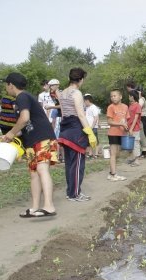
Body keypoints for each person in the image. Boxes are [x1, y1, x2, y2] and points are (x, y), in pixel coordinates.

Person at [1, 72, 57, 217]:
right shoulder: (22, 99)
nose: (6, 88)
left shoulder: (22, 97)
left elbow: (24, 118)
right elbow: (25, 125)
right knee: (33, 173)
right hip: (32, 141)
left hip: (43, 138)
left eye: (6, 85)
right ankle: (34, 208)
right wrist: (9, 137)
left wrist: (11, 133)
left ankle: (49, 206)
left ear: (10, 85)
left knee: (42, 169)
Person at [57, 68, 97, 202]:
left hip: (65, 129)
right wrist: (90, 133)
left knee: (69, 163)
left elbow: (63, 113)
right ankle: (75, 194)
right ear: (80, 79)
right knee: (78, 163)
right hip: (75, 130)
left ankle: (71, 192)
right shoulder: (77, 93)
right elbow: (80, 114)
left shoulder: (62, 93)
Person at [106, 89, 128, 181]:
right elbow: (109, 121)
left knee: (117, 154)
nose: (113, 98)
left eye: (115, 96)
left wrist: (126, 128)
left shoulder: (125, 107)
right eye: (111, 96)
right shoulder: (111, 107)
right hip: (113, 133)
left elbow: (126, 119)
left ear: (120, 96)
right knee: (113, 154)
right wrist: (121, 124)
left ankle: (111, 173)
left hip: (121, 133)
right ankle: (114, 175)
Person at [126, 82, 146, 148]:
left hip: (143, 117)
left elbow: (138, 108)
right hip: (142, 117)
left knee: (143, 132)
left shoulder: (141, 100)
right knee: (143, 132)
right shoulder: (140, 100)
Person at [126, 90, 142, 166]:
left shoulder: (137, 105)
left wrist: (131, 128)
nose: (128, 97)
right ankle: (133, 158)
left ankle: (137, 160)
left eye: (129, 96)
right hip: (129, 128)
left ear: (132, 96)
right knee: (130, 144)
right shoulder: (131, 105)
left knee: (136, 143)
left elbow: (136, 118)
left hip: (135, 128)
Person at [84, 94, 100, 158]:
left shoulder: (94, 107)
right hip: (88, 127)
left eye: (84, 101)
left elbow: (96, 117)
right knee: (90, 140)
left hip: (93, 127)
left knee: (95, 140)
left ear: (87, 100)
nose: (84, 103)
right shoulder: (88, 108)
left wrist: (92, 127)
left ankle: (96, 154)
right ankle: (90, 153)